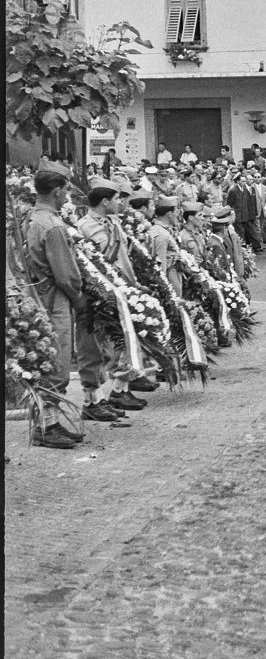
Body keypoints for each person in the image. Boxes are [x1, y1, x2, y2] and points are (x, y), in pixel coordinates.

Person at [23, 162, 87, 447]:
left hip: (36, 296)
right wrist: (79, 298)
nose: (67, 197)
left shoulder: (30, 218)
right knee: (56, 363)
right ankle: (47, 427)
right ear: (57, 191)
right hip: (55, 300)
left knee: (43, 361)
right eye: (65, 191)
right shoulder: (53, 225)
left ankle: (48, 422)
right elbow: (66, 274)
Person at [76, 177, 146, 415]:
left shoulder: (112, 222)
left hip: (119, 291)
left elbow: (122, 258)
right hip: (96, 297)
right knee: (94, 347)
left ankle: (119, 389)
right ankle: (92, 400)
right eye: (117, 198)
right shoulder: (84, 227)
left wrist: (132, 285)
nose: (121, 202)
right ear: (105, 201)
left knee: (122, 341)